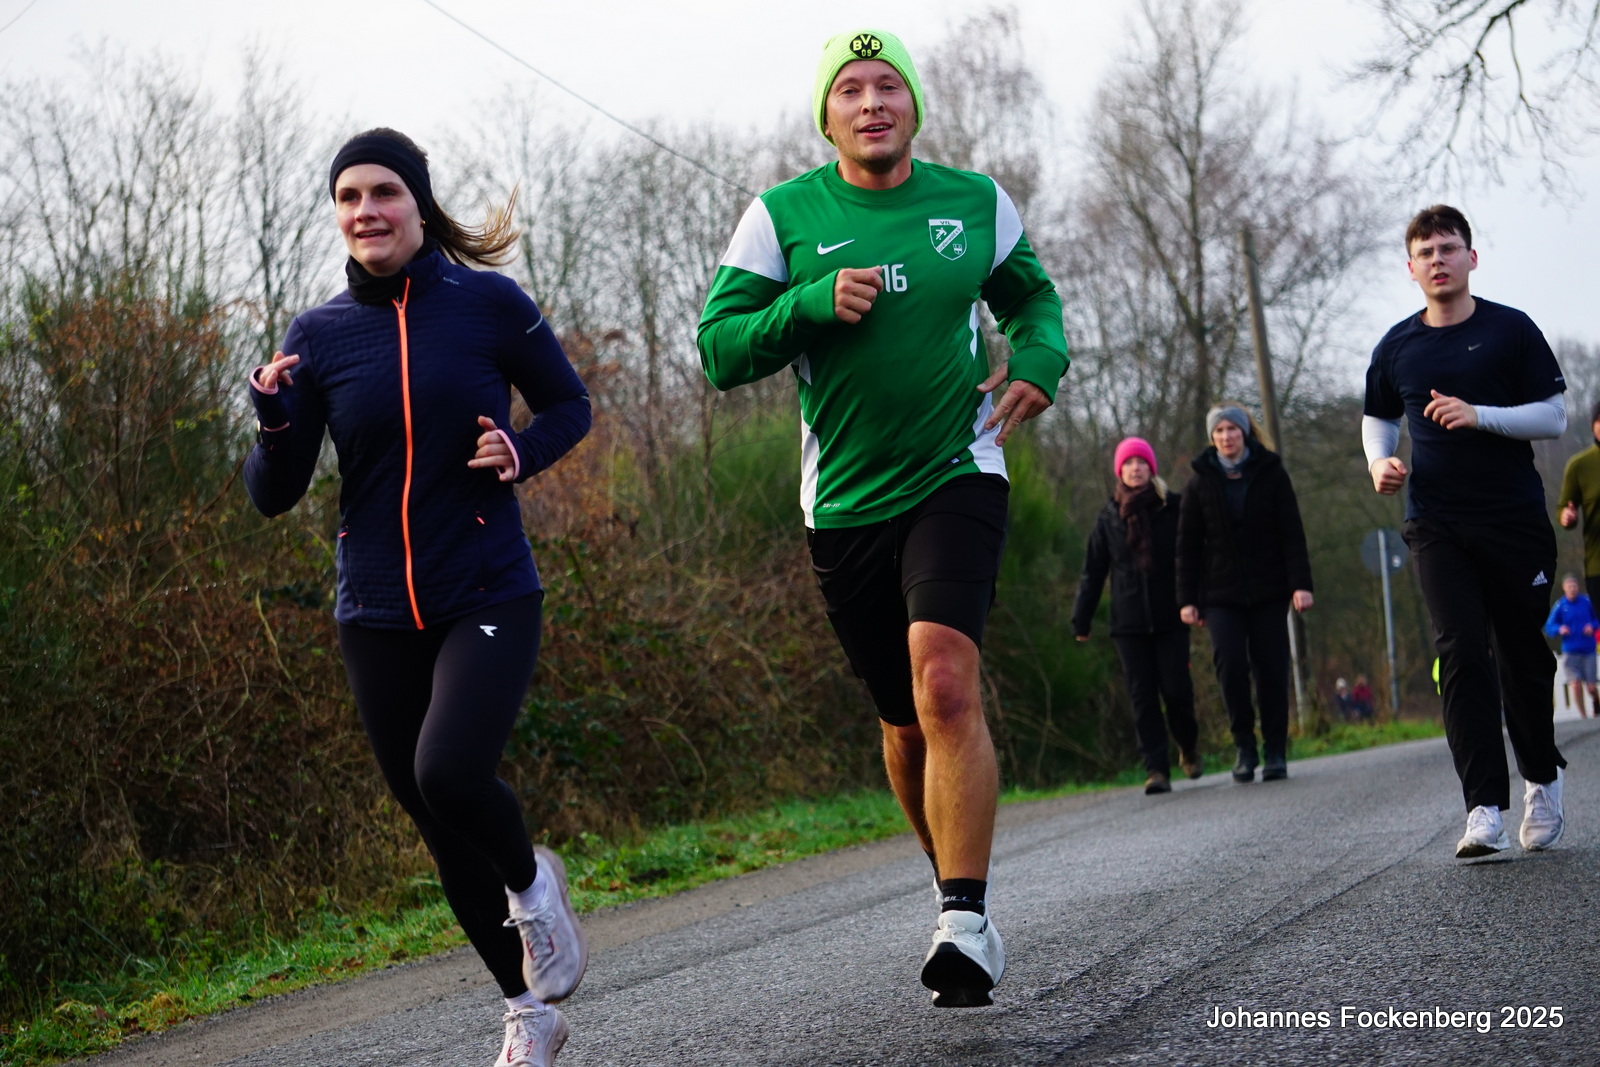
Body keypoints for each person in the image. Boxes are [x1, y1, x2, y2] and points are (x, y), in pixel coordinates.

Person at [697, 28, 1068, 1008]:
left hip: (957, 467)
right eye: (851, 89)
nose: (872, 103)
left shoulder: (973, 201)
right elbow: (719, 349)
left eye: (889, 86)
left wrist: (1038, 361)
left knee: (944, 681)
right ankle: (951, 879)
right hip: (844, 500)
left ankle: (964, 917)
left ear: (914, 107)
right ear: (826, 117)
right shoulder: (782, 216)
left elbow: (1033, 301)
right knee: (902, 721)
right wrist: (808, 304)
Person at [244, 129, 591, 1067]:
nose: (367, 211)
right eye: (349, 196)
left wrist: (520, 450)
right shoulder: (317, 336)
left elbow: (570, 406)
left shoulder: (488, 304)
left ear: (420, 205)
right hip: (373, 611)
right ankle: (528, 1010)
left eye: (384, 192)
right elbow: (274, 492)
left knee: (449, 773)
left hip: (486, 587)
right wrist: (274, 419)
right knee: (438, 825)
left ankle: (532, 885)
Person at [1363, 204, 1568, 859]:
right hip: (1435, 521)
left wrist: (1479, 415)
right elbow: (1378, 416)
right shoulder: (1397, 347)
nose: (1439, 260)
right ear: (1411, 267)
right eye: (1426, 252)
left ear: (1471, 258)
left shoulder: (1511, 330)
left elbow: (1554, 417)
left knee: (1521, 655)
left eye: (1449, 248)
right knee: (1460, 651)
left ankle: (1542, 778)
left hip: (1512, 520)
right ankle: (1482, 808)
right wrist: (1379, 461)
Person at [1176, 404, 1313, 784]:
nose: (1226, 437)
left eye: (1232, 430)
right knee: (1231, 666)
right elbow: (1187, 546)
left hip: (1270, 589)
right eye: (1219, 431)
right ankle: (1244, 747)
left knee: (1272, 669)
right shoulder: (1199, 482)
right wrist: (1187, 599)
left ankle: (1275, 750)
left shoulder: (1272, 473)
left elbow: (1292, 532)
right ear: (1212, 438)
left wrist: (1301, 584)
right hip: (1220, 594)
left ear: (1245, 432)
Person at [1071, 437, 1202, 794]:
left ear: (1151, 468)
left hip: (1172, 616)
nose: (1135, 468)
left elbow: (1191, 557)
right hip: (1128, 623)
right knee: (1142, 698)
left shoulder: (1173, 507)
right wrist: (1081, 618)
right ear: (1120, 471)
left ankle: (1188, 746)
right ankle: (1155, 769)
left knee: (1177, 691)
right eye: (1128, 463)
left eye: (1141, 462)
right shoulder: (1108, 517)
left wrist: (1195, 600)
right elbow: (1093, 571)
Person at [1557, 399, 1600, 603]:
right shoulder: (1579, 466)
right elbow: (1564, 507)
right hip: (1597, 566)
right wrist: (1566, 516)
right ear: (1593, 425)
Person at [1544, 574, 1598, 718]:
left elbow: (1597, 619)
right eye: (1569, 586)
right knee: (1575, 685)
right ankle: (1583, 717)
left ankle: (1596, 702)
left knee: (1591, 687)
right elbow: (1549, 626)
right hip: (1570, 651)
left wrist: (1592, 625)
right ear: (1564, 588)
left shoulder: (1587, 602)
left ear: (1578, 587)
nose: (1572, 589)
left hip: (1588, 650)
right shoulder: (1561, 606)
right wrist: (1559, 628)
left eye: (1574, 586)